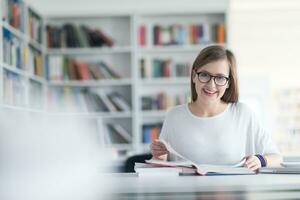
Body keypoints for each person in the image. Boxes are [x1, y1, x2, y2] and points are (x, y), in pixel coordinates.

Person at [150, 45, 282, 171]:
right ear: (194, 76)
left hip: (233, 193)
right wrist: (159, 157)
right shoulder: (174, 116)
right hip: (186, 194)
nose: (211, 85)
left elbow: (276, 157)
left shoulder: (243, 114)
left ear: (228, 83)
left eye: (219, 78)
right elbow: (161, 165)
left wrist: (260, 160)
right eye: (205, 75)